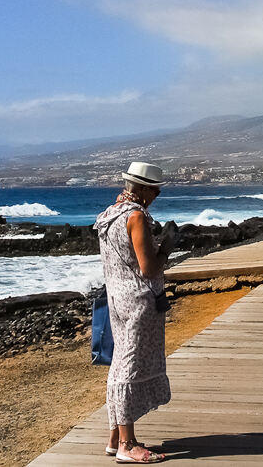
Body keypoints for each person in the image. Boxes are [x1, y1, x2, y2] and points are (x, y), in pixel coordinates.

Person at [95, 162, 172, 464]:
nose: (156, 195)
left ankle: (115, 437)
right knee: (128, 367)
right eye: (153, 190)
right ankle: (127, 444)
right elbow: (149, 267)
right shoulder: (136, 217)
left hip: (117, 300)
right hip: (139, 301)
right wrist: (167, 246)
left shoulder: (108, 216)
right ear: (139, 189)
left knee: (119, 363)